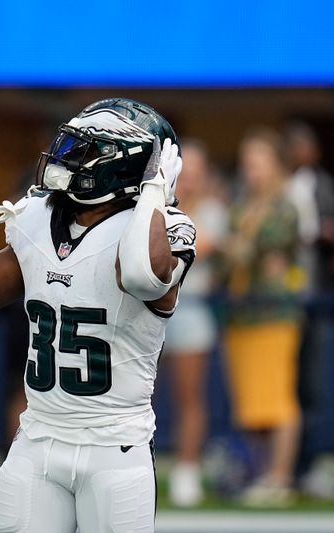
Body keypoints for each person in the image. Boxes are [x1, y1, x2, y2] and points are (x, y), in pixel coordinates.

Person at [0, 98, 195, 532]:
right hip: (37, 439)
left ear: (126, 165)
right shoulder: (40, 217)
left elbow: (142, 276)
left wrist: (153, 192)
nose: (67, 158)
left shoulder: (169, 229)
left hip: (115, 447)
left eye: (86, 150)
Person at [223, 128, 304, 507]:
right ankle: (260, 475)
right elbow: (232, 254)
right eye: (246, 162)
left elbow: (259, 249)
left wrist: (241, 247)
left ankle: (281, 477)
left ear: (275, 165)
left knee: (279, 399)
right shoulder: (242, 205)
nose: (250, 169)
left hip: (275, 315)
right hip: (241, 315)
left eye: (258, 162)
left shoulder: (284, 206)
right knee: (251, 402)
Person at [162, 140, 227, 507]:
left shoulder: (214, 209)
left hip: (192, 310)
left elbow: (201, 248)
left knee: (189, 397)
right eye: (186, 171)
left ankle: (187, 472)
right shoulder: (156, 206)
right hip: (149, 312)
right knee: (139, 394)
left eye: (197, 172)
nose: (191, 179)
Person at [284, 123, 334, 499]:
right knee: (287, 384)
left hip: (316, 294)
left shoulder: (323, 185)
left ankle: (311, 464)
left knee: (314, 384)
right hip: (283, 298)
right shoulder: (282, 187)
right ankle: (287, 466)